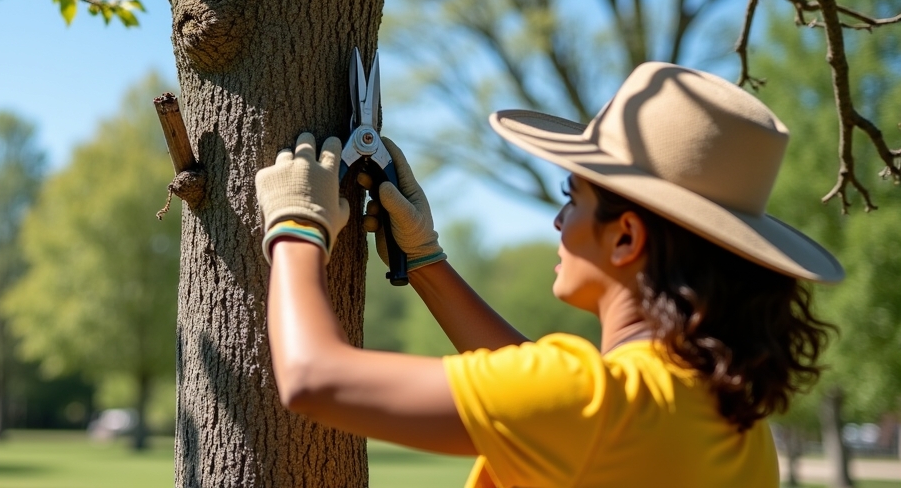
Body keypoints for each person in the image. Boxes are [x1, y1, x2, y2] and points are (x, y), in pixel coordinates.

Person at [254, 62, 841, 487]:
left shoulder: (591, 405)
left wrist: (298, 225)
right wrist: (427, 260)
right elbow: (542, 400)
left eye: (573, 197)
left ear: (627, 237)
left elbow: (313, 377)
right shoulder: (734, 421)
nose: (559, 221)